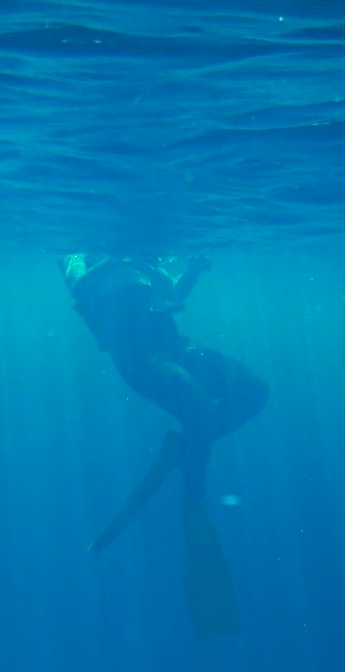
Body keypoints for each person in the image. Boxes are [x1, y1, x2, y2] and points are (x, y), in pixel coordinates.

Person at [59, 253, 268, 636]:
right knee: (194, 401)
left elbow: (172, 289)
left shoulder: (135, 254)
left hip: (177, 351)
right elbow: (83, 286)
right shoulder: (80, 258)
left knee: (255, 392)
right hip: (139, 362)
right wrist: (117, 253)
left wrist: (193, 270)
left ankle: (185, 446)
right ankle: (194, 495)